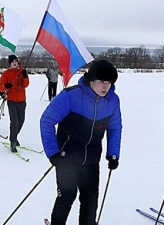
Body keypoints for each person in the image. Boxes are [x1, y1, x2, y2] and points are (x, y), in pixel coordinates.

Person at [40, 59, 122, 225]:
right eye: (101, 81)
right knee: (67, 197)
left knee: (90, 201)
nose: (105, 86)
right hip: (67, 158)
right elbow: (47, 120)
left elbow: (114, 128)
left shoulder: (112, 100)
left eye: (109, 82)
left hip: (91, 159)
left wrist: (113, 154)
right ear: (91, 79)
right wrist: (53, 153)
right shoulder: (71, 96)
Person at [0, 55, 29, 153]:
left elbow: (26, 84)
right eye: (12, 62)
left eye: (16, 61)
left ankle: (15, 136)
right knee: (14, 121)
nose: (14, 63)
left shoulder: (22, 71)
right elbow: (0, 87)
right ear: (10, 63)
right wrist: (6, 86)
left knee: (21, 121)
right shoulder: (6, 73)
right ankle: (13, 142)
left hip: (21, 100)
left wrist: (25, 76)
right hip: (11, 100)